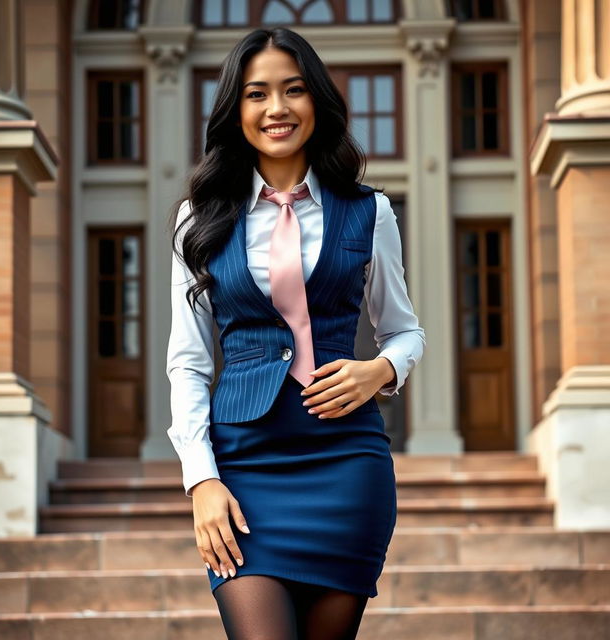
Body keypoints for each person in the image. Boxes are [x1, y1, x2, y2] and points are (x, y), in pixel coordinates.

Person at [165, 26, 426, 640]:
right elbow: (189, 363)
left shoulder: (370, 211)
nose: (276, 108)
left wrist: (379, 371)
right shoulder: (197, 219)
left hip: (346, 465)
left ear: (318, 103)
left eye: (294, 90)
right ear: (236, 111)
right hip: (245, 468)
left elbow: (405, 332)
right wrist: (201, 479)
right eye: (257, 94)